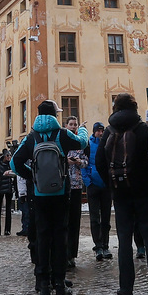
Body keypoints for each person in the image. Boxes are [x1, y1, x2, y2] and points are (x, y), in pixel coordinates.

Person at [12, 100, 88, 295]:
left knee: (43, 237)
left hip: (40, 195)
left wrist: (33, 176)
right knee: (60, 236)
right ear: (54, 114)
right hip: (61, 192)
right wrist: (81, 130)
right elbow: (82, 143)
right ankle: (60, 285)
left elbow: (15, 162)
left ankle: (44, 286)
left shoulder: (31, 137)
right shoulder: (62, 134)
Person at [98, 93, 148, 295]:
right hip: (145, 192)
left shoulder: (109, 130)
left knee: (124, 240)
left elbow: (100, 163)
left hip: (120, 194)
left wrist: (113, 184)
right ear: (135, 108)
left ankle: (126, 288)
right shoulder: (143, 129)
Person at [85, 122, 112, 261]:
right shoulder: (88, 145)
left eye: (102, 131)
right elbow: (84, 164)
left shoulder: (107, 144)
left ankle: (106, 245)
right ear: (94, 132)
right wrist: (88, 182)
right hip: (93, 186)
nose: (100, 133)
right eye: (98, 131)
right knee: (95, 218)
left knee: (106, 218)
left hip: (105, 186)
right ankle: (98, 246)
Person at [64, 115, 86, 269]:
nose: (73, 126)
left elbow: (85, 162)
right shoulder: (63, 143)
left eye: (75, 124)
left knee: (74, 221)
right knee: (64, 221)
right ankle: (63, 253)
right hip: (63, 186)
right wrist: (66, 160)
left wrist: (79, 162)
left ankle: (72, 254)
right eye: (70, 124)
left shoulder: (80, 144)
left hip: (77, 186)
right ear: (66, 126)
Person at [0, 149, 16, 235]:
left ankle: (7, 230)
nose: (9, 157)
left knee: (8, 210)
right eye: (8, 156)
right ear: (4, 156)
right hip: (0, 190)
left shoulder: (11, 166)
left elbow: (15, 179)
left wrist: (15, 189)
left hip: (9, 190)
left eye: (10, 155)